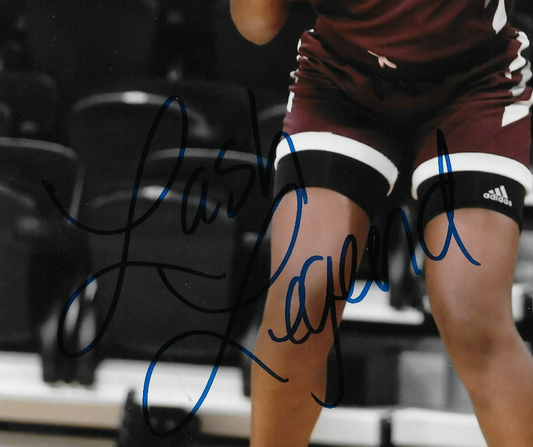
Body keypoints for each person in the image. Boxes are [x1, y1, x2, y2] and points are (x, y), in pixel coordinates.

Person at [230, 1, 533, 446]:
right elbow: (257, 26)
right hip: (343, 80)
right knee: (300, 302)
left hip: (474, 84)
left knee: (471, 315)